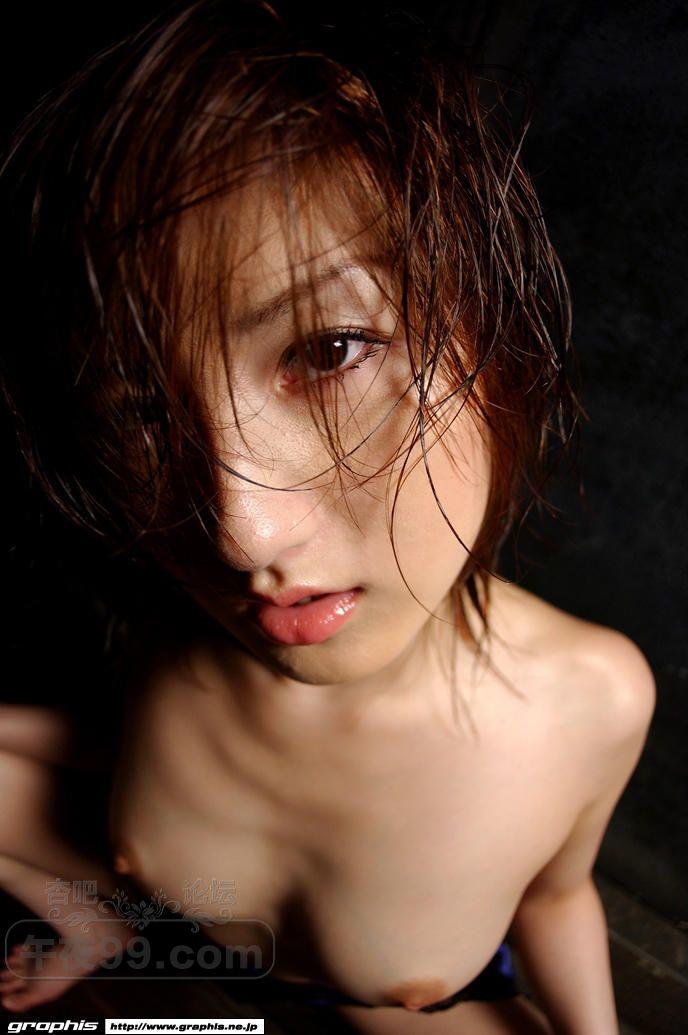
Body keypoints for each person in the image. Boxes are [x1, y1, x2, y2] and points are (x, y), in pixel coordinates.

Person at [0, 1, 656, 1030]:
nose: (241, 538)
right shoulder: (181, 639)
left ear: (493, 330)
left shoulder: (590, 701)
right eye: (141, 416)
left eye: (328, 350)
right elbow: (119, 745)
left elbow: (555, 895)